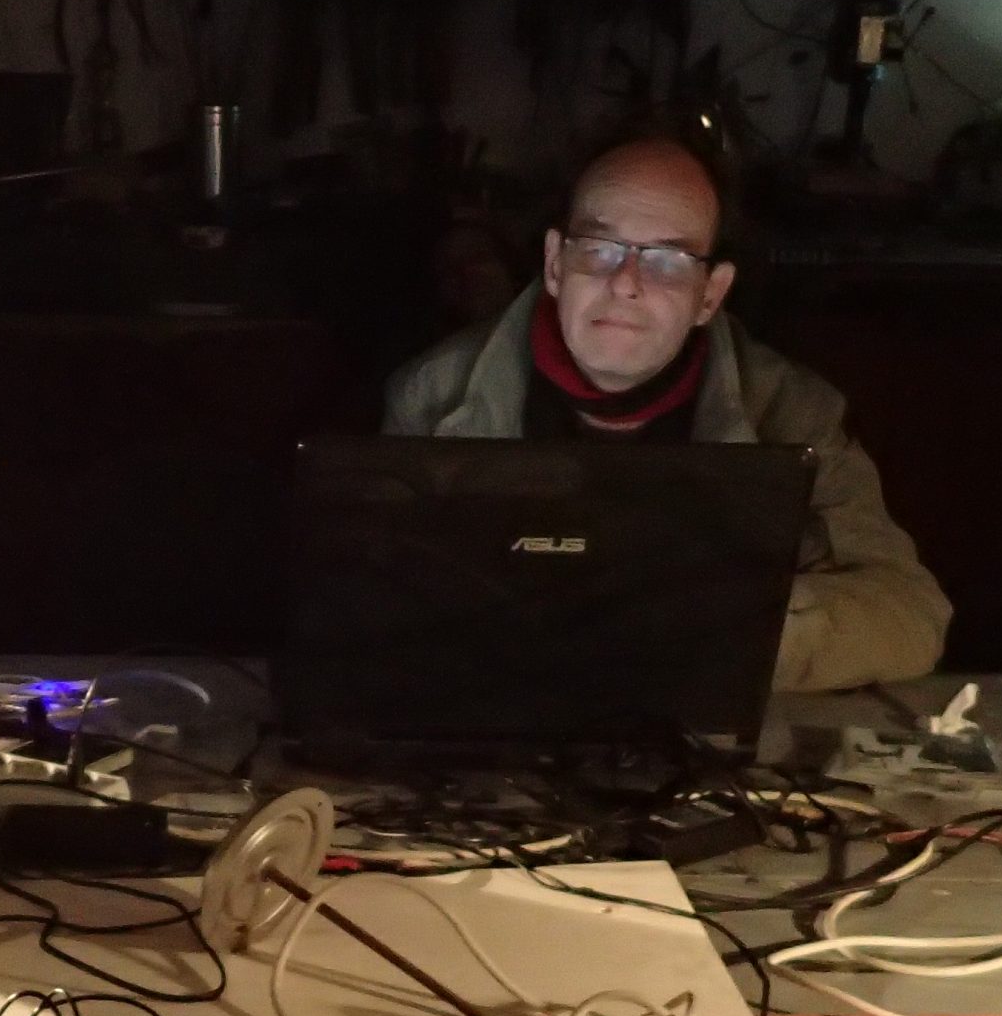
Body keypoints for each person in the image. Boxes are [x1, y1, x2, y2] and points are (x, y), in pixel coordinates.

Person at [384, 126, 949, 693]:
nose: (625, 284)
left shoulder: (792, 411)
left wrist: (713, 629)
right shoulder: (433, 395)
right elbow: (378, 604)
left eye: (669, 259)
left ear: (711, 294)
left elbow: (909, 612)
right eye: (599, 248)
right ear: (555, 263)